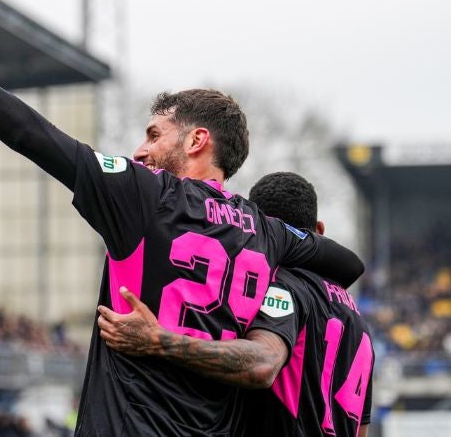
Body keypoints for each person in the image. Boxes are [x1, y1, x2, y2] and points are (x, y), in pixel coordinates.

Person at [0, 5, 364, 436]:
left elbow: (29, 131)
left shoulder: (144, 194)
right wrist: (291, 243)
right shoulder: (265, 231)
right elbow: (345, 261)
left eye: (155, 134)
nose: (140, 149)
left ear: (197, 140)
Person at [98, 172, 374, 437]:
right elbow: (361, 430)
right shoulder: (357, 319)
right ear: (319, 231)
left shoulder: (283, 287)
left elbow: (263, 363)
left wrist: (158, 340)